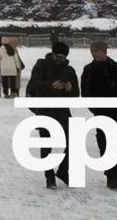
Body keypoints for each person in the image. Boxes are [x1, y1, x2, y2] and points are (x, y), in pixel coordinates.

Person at [26, 41, 79, 189]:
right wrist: (50, 86)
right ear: (53, 54)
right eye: (58, 56)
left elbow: (76, 95)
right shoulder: (41, 66)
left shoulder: (69, 71)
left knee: (74, 142)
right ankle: (49, 177)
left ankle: (63, 171)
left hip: (62, 111)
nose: (60, 59)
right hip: (45, 110)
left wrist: (70, 88)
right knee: (47, 144)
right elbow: (33, 85)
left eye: (63, 57)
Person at [82, 41, 117, 190]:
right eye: (92, 51)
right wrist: (94, 108)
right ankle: (112, 173)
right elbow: (85, 91)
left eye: (96, 51)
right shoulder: (89, 69)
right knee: (105, 142)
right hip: (101, 112)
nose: (94, 53)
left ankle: (116, 166)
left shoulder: (116, 67)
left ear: (104, 51)